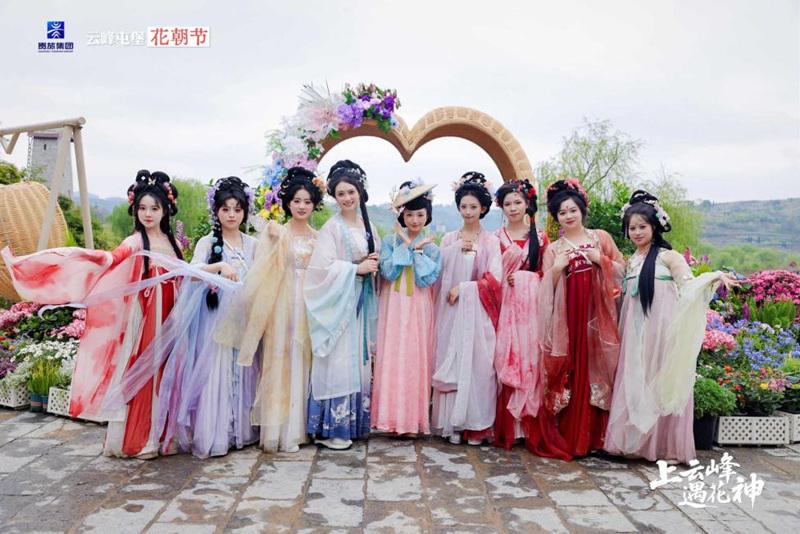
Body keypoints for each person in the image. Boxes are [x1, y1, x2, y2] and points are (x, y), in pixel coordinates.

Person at [604, 190, 739, 464]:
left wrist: (714, 277)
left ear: (655, 227)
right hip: (635, 334)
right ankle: (635, 444)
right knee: (636, 380)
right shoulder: (632, 261)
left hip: (661, 331)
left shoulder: (669, 257)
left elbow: (688, 286)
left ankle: (665, 447)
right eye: (632, 228)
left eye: (642, 226)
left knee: (660, 381)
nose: (637, 232)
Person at [539, 178, 624, 458]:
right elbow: (545, 290)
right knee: (574, 366)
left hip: (598, 315)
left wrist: (600, 259)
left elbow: (623, 271)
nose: (568, 216)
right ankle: (574, 435)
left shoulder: (600, 238)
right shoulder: (554, 249)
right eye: (562, 212)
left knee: (598, 366)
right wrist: (556, 270)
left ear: (582, 210)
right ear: (556, 217)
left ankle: (599, 437)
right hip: (570, 317)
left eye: (572, 210)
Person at [303, 160, 380, 450]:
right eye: (341, 194)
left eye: (351, 192)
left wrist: (374, 264)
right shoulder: (332, 228)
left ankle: (353, 425)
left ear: (360, 192)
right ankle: (333, 429)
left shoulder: (368, 225)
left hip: (361, 301)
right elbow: (320, 269)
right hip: (338, 305)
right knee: (338, 362)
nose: (347, 198)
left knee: (357, 361)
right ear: (334, 197)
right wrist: (355, 269)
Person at [432, 171, 502, 445]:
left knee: (477, 366)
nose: (468, 211)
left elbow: (495, 280)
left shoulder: (491, 241)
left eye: (474, 207)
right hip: (450, 311)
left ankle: (474, 424)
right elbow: (437, 272)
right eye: (464, 206)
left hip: (478, 312)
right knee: (451, 359)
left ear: (483, 208)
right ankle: (451, 424)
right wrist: (454, 250)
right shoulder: (449, 239)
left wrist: (464, 288)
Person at [373, 180, 442, 437]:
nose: (415, 220)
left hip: (418, 306)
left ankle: (412, 422)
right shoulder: (389, 242)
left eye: (420, 215)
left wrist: (416, 251)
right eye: (410, 214)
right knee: (392, 355)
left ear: (427, 216)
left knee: (415, 356)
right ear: (402, 215)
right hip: (394, 304)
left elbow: (427, 278)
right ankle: (389, 419)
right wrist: (406, 246)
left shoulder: (432, 247)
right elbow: (388, 272)